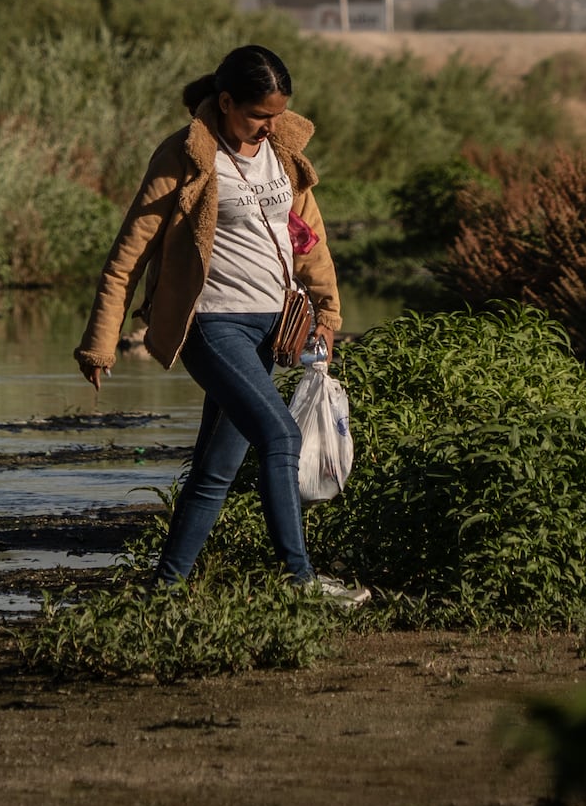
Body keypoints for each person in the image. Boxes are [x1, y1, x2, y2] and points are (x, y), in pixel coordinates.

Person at [74, 44, 369, 603]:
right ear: (226, 101)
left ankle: (161, 593)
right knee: (280, 434)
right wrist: (100, 343)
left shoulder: (282, 153)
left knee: (216, 470)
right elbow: (128, 255)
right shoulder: (185, 156)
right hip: (211, 326)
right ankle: (300, 581)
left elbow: (309, 240)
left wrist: (328, 313)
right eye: (259, 115)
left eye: (277, 113)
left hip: (271, 327)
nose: (269, 125)